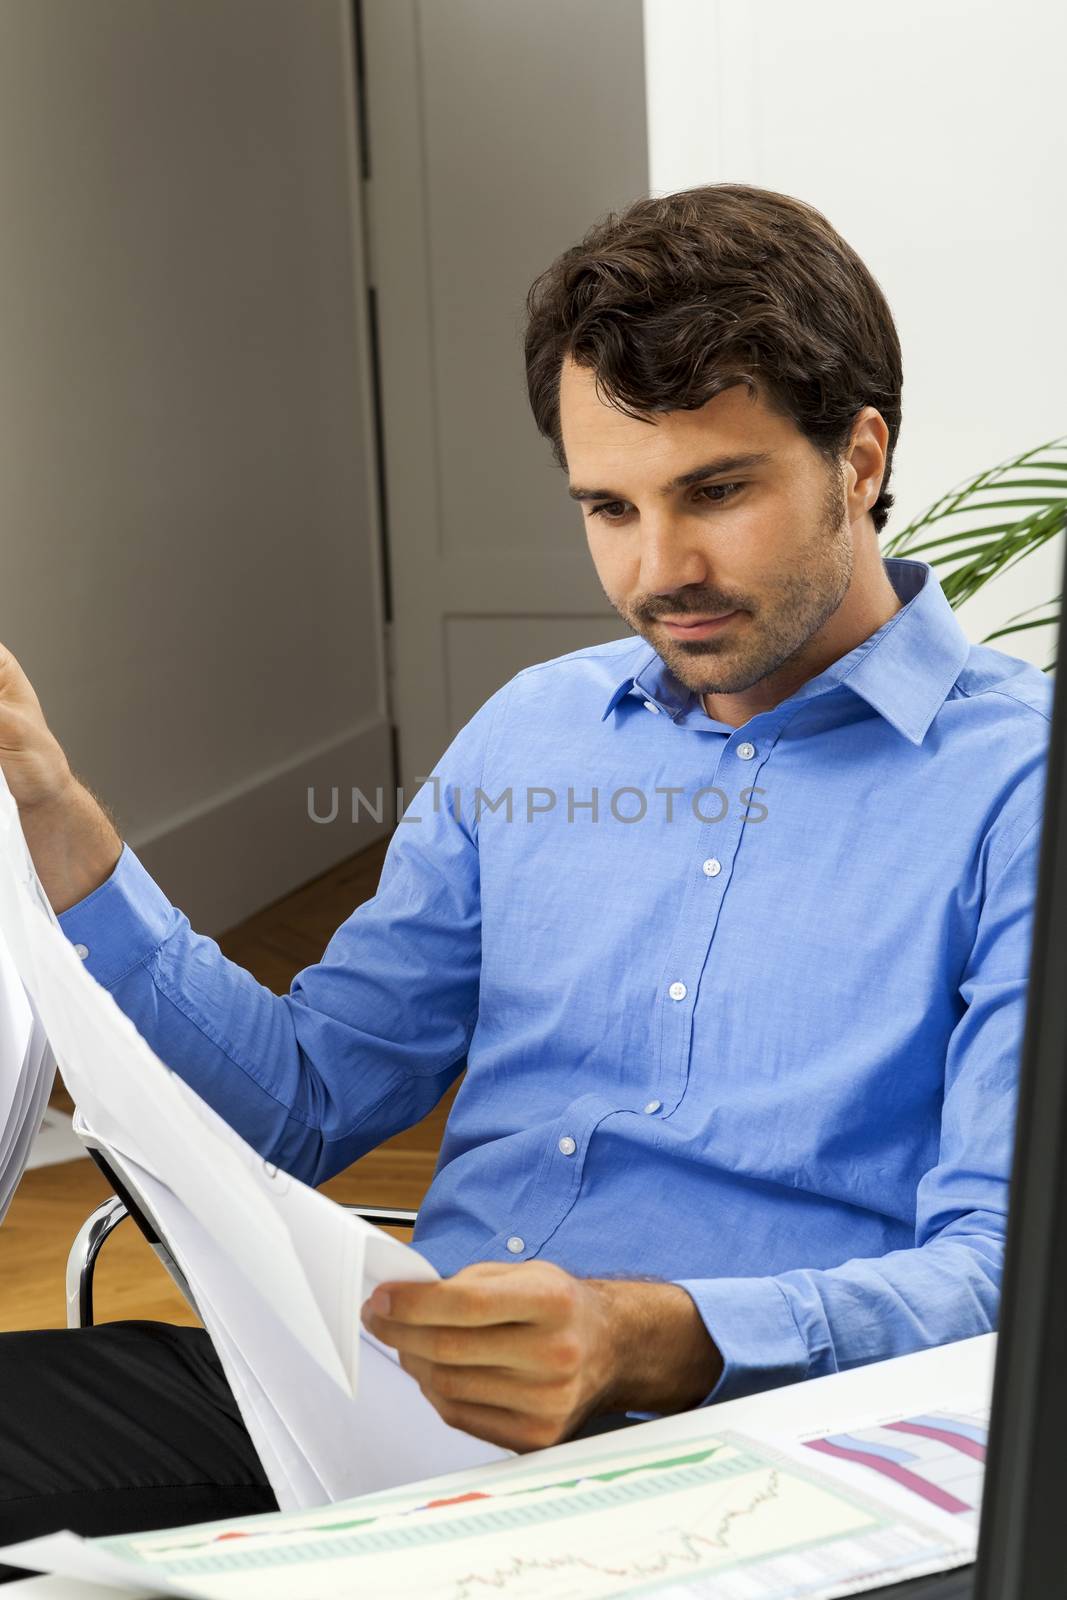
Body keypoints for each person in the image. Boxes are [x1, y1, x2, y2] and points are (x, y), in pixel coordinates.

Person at [0, 184, 1051, 1558]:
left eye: (715, 493)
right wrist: (56, 814)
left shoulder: (1021, 788)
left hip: (747, 1473)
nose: (657, 567)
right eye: (607, 507)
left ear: (859, 458)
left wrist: (660, 1338)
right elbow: (304, 1099)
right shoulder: (536, 729)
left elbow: (1006, 1282)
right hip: (387, 1412)